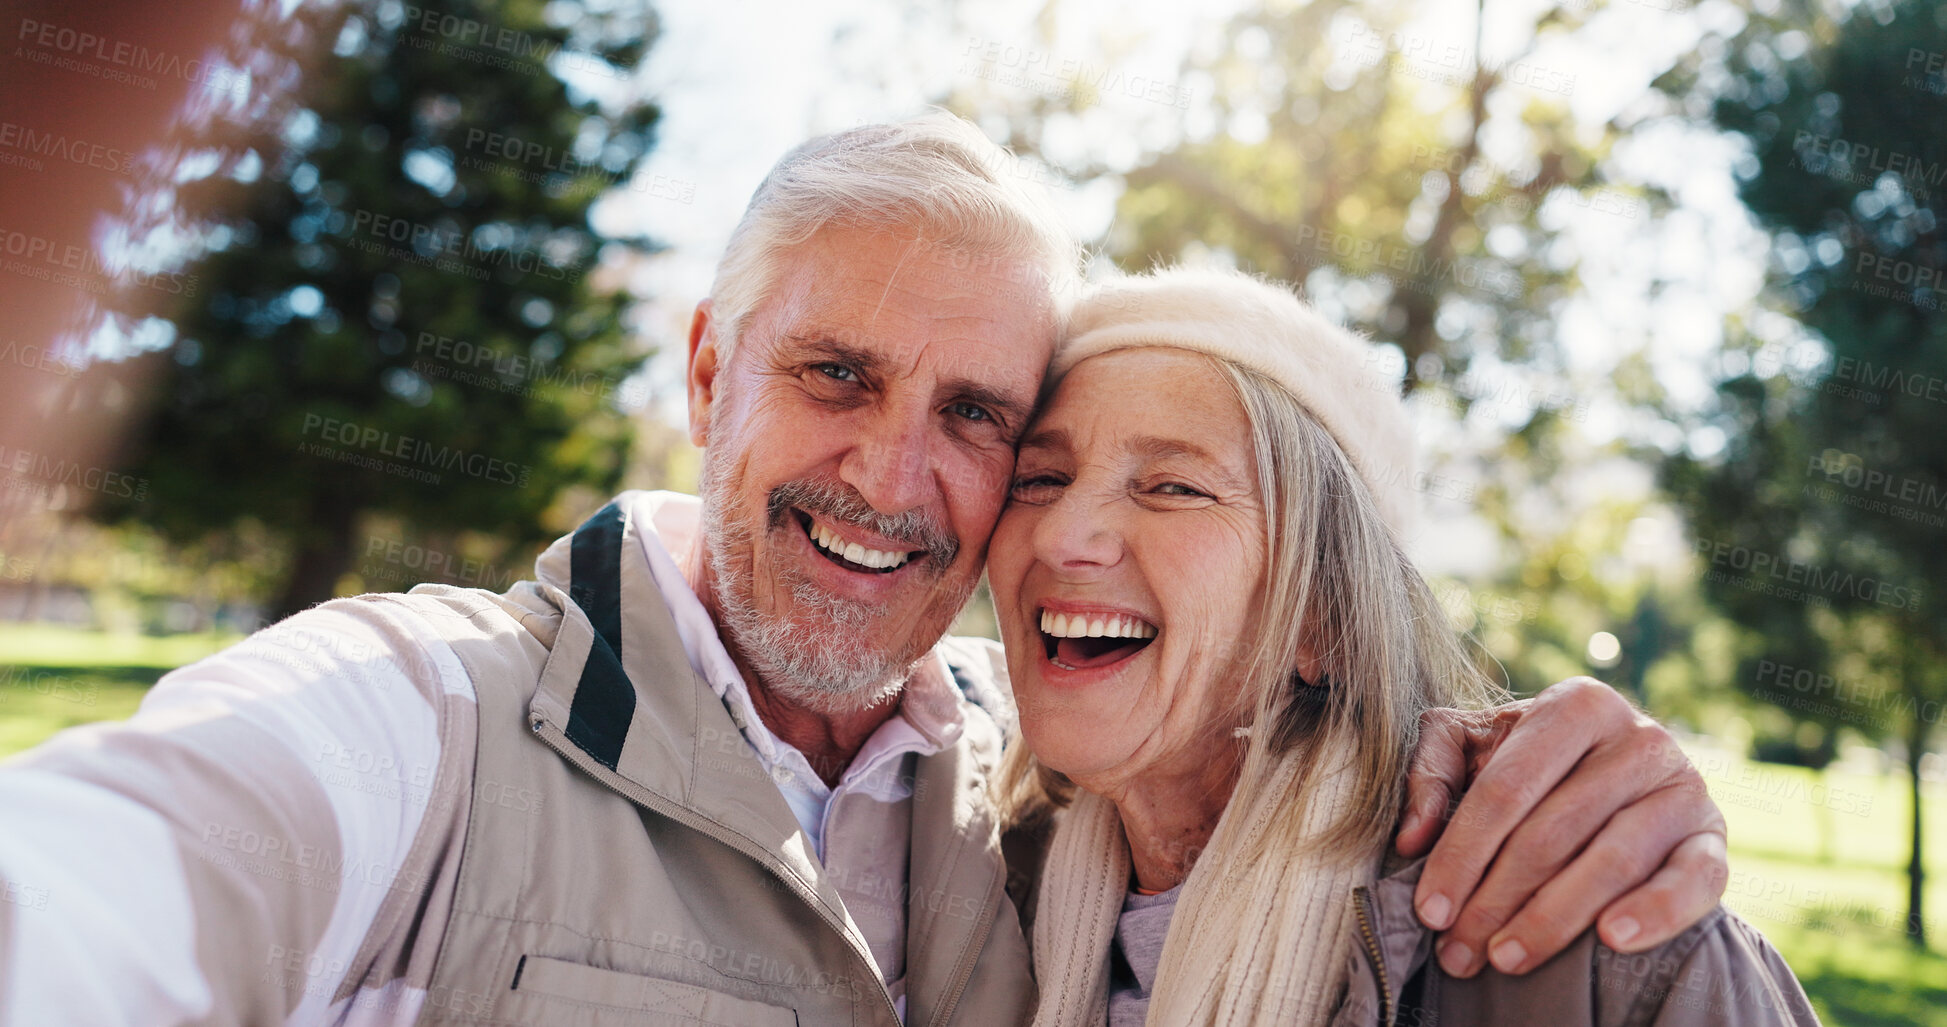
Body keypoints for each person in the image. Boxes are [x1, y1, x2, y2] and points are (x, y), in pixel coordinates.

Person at [0, 114, 1726, 1026]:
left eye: (980, 415)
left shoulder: (1048, 815)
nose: (896, 477)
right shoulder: (423, 723)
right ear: (705, 372)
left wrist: (1617, 790)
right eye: (834, 375)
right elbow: (94, 893)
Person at [990, 266, 1817, 1026]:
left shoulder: (1595, 944)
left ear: (1324, 617)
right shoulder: (979, 885)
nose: (1064, 533)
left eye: (1174, 486)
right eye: (1039, 479)